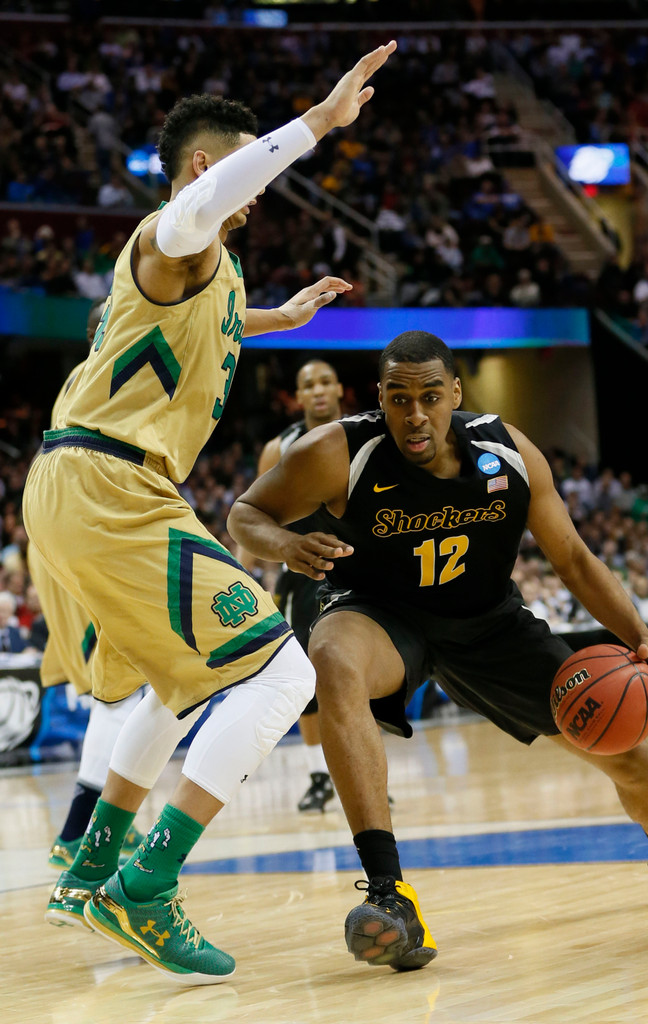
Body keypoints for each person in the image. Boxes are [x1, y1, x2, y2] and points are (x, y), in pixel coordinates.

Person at [22, 39, 396, 986]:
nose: (255, 194)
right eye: (240, 172)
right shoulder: (172, 231)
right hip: (110, 483)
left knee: (166, 683)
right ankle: (146, 888)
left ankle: (89, 867)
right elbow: (200, 208)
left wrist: (281, 319)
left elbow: (214, 316)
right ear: (206, 167)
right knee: (280, 677)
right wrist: (318, 121)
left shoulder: (215, 273)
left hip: (85, 484)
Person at [228, 330, 648, 972]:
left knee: (624, 749)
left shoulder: (507, 452)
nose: (415, 414)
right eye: (399, 399)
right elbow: (244, 514)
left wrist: (639, 636)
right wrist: (283, 546)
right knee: (333, 661)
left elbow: (572, 558)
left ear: (456, 392)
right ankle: (390, 896)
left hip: (489, 624)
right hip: (382, 616)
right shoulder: (338, 451)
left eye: (430, 396)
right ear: (380, 398)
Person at [26, 299, 147, 870]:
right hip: (78, 531)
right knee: (117, 688)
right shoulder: (104, 373)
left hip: (73, 529)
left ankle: (96, 828)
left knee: (122, 686)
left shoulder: (100, 375)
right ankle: (81, 831)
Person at [238, 358, 344, 812]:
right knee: (305, 679)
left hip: (357, 563)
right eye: (308, 385)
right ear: (298, 397)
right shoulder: (277, 447)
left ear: (339, 388)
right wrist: (246, 580)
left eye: (325, 381)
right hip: (299, 574)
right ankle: (318, 775)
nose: (318, 390)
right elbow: (253, 517)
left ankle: (359, 764)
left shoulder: (365, 435)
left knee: (359, 672)